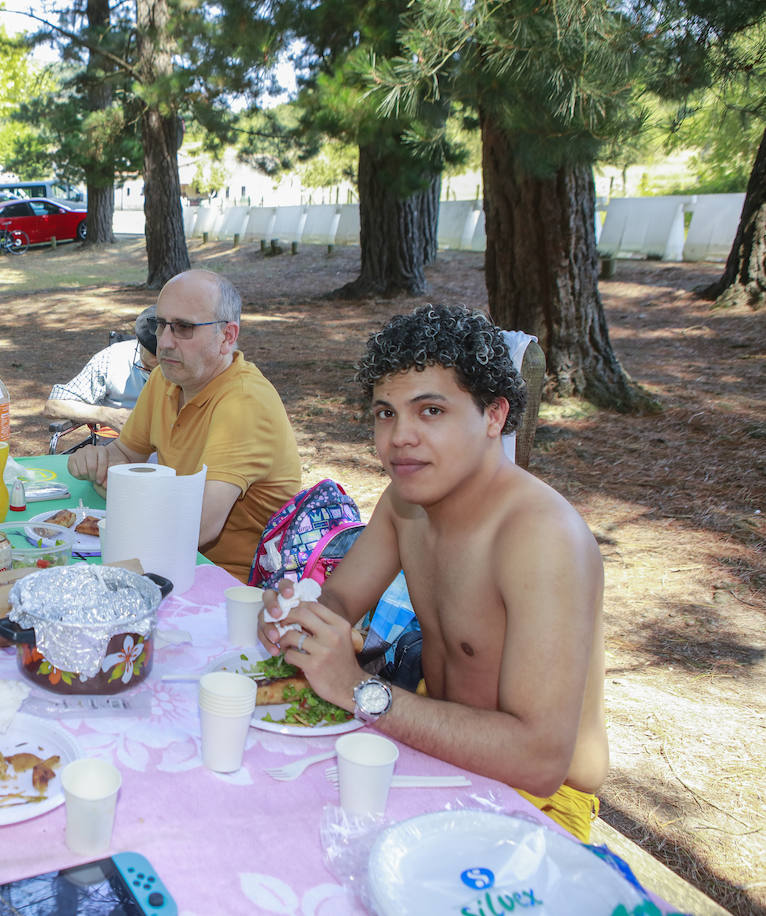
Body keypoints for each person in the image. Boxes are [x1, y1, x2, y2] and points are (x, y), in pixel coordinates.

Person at [259, 304, 608, 841]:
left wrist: (358, 689)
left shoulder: (542, 539)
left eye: (431, 411)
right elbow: (339, 602)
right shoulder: (404, 504)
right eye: (385, 413)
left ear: (494, 416)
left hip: (536, 801)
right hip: (429, 743)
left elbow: (541, 760)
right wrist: (298, 617)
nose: (400, 437)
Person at [67, 270, 300, 581]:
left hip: (230, 583)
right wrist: (99, 460)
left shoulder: (244, 403)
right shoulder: (168, 377)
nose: (164, 342)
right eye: (161, 324)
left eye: (183, 328)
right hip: (171, 559)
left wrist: (125, 492)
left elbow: (198, 526)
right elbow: (125, 454)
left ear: (227, 337)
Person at [43, 306, 159, 432]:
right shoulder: (114, 358)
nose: (155, 376)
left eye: (161, 371)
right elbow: (54, 405)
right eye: (147, 369)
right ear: (139, 343)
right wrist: (107, 415)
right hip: (118, 445)